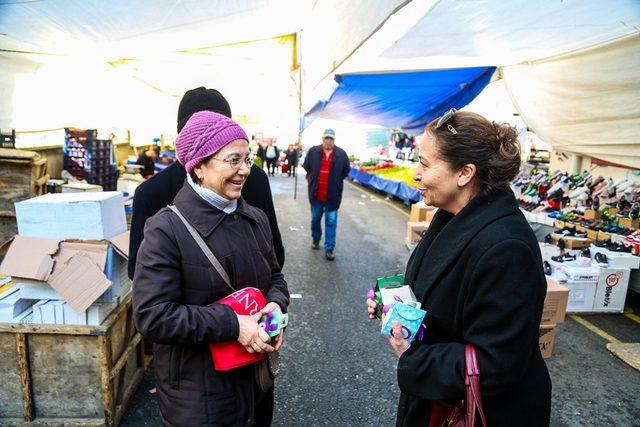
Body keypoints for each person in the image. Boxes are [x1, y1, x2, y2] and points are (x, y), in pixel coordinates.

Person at [366, 110, 551, 426]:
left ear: (464, 172)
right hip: (438, 400)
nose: (415, 174)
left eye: (424, 164)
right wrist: (395, 305)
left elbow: (497, 361)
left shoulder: (507, 248)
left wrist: (413, 355)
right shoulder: (453, 212)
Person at [133, 111, 289, 426]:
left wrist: (274, 309)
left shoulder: (254, 218)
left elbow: (275, 277)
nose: (244, 170)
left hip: (255, 381)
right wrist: (234, 325)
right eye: (233, 160)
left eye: (248, 159)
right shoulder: (166, 229)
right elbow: (152, 315)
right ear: (200, 166)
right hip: (199, 400)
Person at [128, 87, 285, 281]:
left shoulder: (149, 191)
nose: (242, 171)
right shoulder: (256, 178)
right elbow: (276, 257)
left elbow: (273, 258)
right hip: (238, 307)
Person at [302, 129, 350, 261]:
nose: (328, 141)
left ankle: (329, 248)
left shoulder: (341, 154)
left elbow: (346, 171)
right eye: (326, 138)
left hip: (332, 196)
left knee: (331, 222)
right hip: (316, 194)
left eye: (331, 139)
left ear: (334, 140)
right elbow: (307, 167)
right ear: (322, 139)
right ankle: (316, 238)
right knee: (315, 219)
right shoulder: (313, 152)